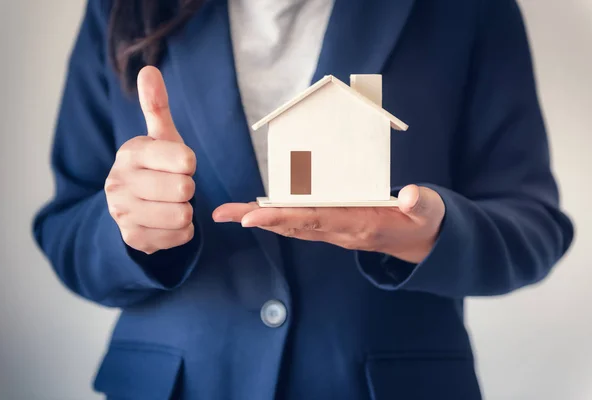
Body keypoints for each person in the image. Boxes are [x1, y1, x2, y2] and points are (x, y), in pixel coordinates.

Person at [33, 0, 574, 398]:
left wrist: (433, 236)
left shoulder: (469, 9)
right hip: (181, 383)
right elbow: (65, 229)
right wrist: (128, 230)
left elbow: (535, 226)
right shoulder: (122, 10)